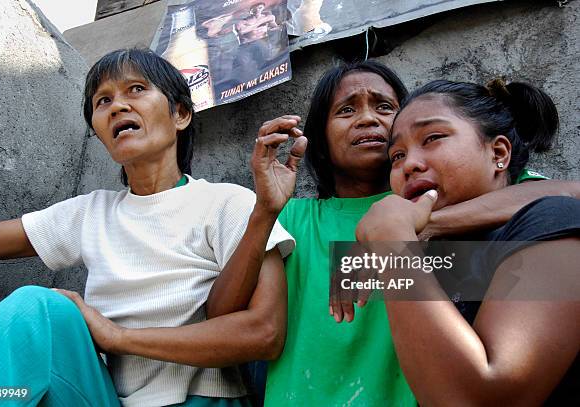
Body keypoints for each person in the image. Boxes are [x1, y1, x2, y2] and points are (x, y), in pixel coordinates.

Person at [208, 60, 580, 406]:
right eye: (346, 110)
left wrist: (403, 230)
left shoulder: (437, 203)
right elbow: (223, 316)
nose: (368, 119)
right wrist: (266, 210)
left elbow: (561, 201)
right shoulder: (297, 216)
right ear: (319, 135)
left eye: (385, 107)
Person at [0, 48, 306, 407]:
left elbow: (264, 333)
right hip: (108, 400)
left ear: (180, 114)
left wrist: (117, 337)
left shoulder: (229, 202)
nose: (117, 106)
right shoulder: (91, 212)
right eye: (103, 101)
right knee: (35, 311)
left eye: (136, 90)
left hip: (204, 400)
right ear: (99, 134)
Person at [355, 78, 580, 405]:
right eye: (396, 155)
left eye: (433, 138)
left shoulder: (552, 220)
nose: (409, 165)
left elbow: (479, 399)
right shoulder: (431, 257)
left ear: (498, 152)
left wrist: (393, 243)